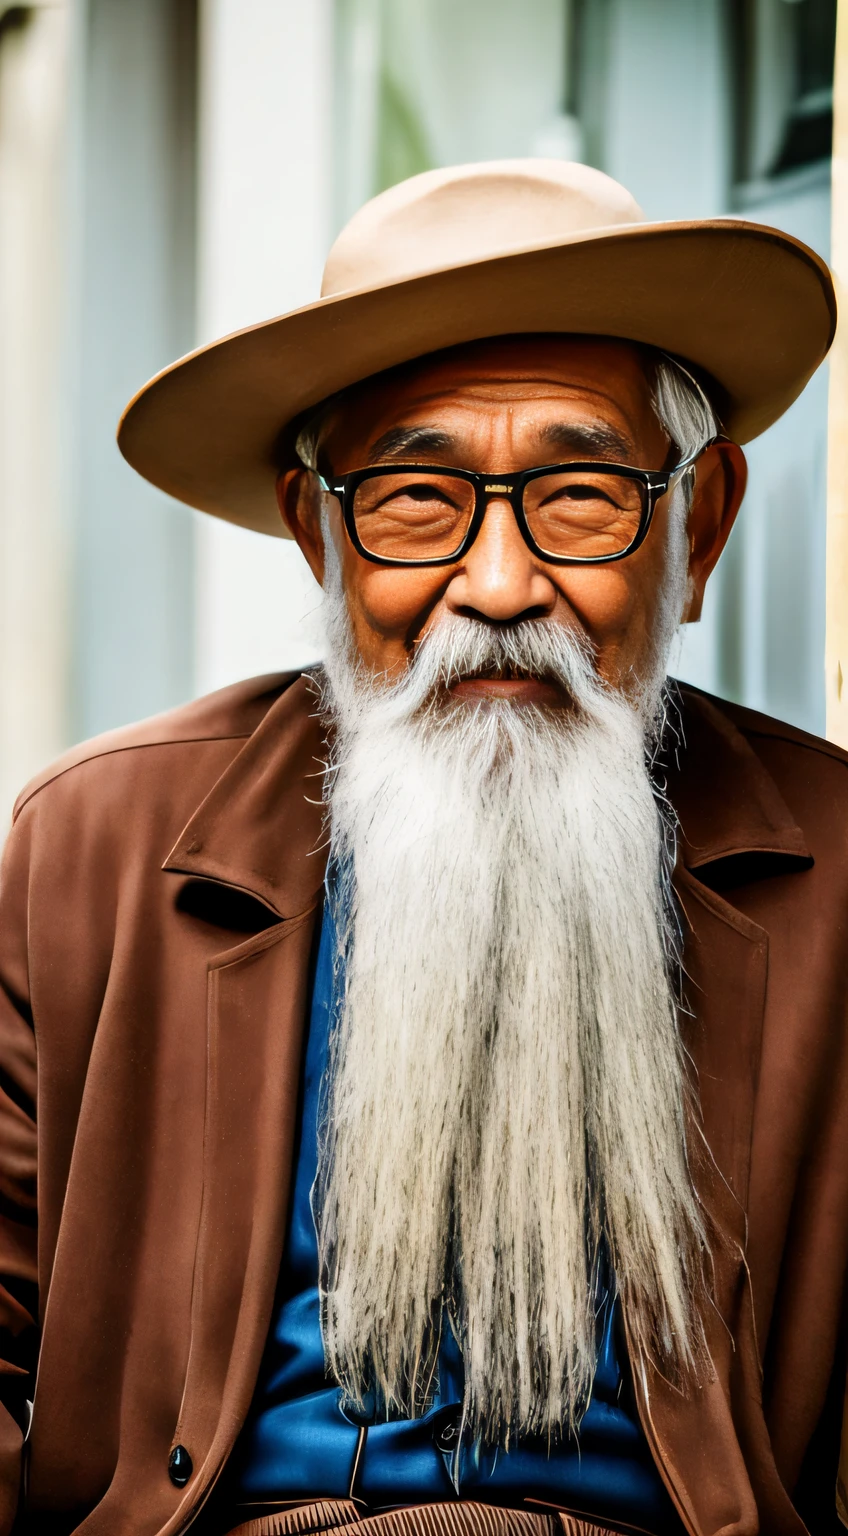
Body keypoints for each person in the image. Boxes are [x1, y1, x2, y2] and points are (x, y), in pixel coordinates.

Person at [0, 160, 844, 1536]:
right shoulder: (88, 852)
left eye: (580, 492)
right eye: (414, 498)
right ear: (315, 533)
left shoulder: (841, 877)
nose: (500, 586)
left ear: (700, 529)